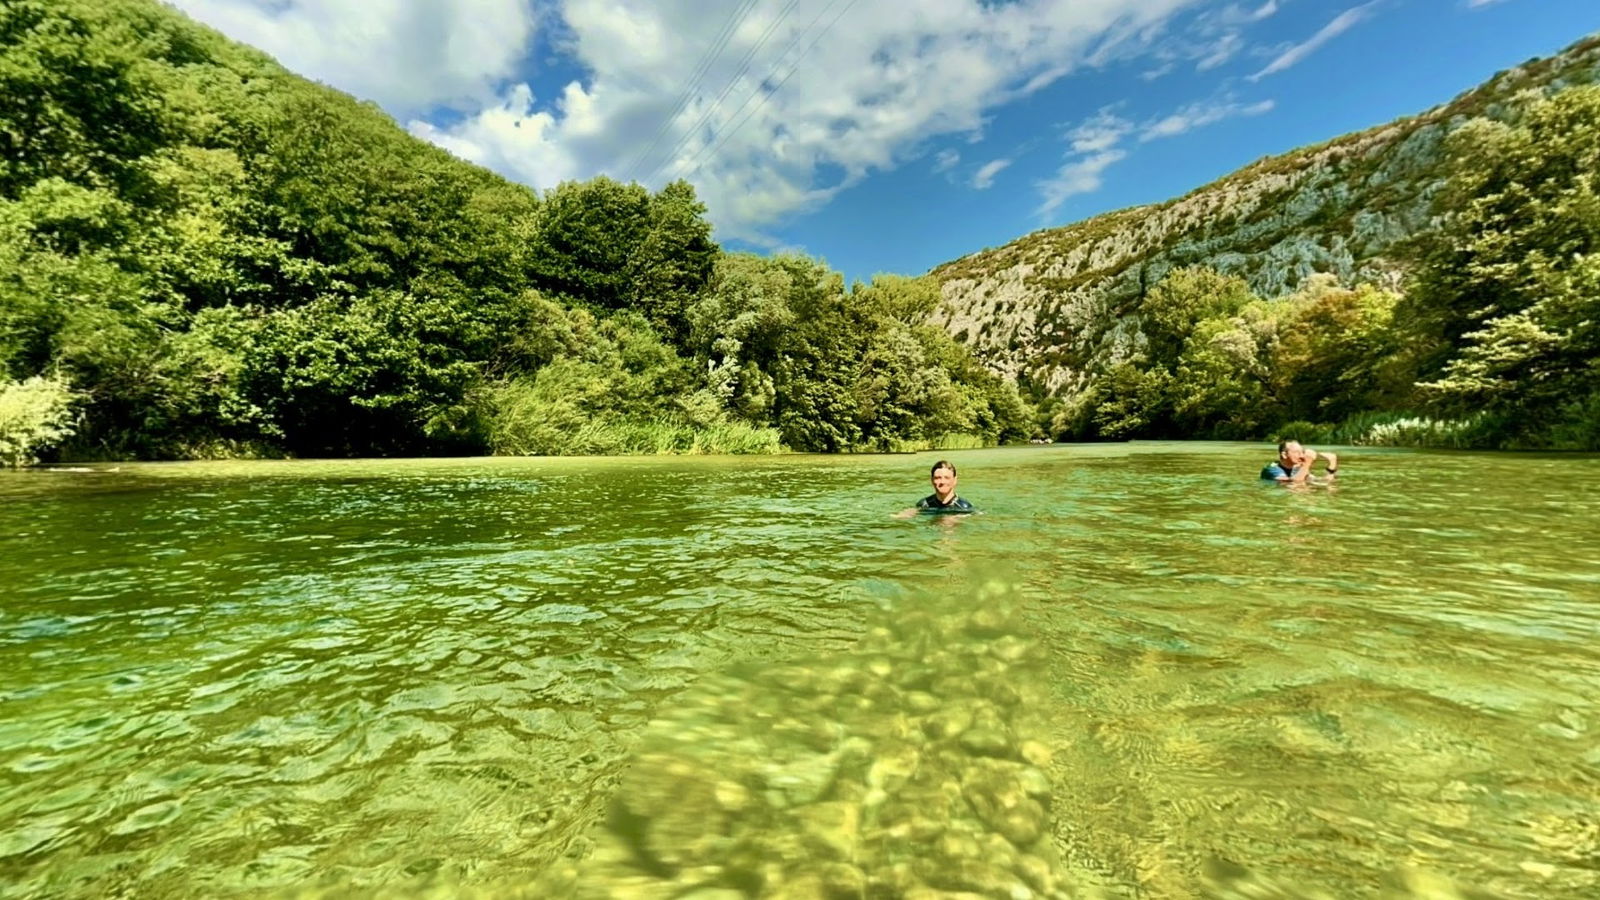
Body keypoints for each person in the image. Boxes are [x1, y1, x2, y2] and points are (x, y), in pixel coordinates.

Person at [901, 459, 976, 516]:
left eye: (947, 478)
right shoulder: (923, 504)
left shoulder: (965, 508)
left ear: (955, 480)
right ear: (932, 480)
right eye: (938, 478)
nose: (942, 482)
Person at [1261, 440, 1339, 484]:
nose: (1301, 456)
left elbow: (1322, 482)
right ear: (1284, 455)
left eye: (1302, 452)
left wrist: (1332, 467)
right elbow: (1292, 484)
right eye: (1297, 452)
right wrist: (1307, 463)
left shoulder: (1298, 467)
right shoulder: (1272, 469)